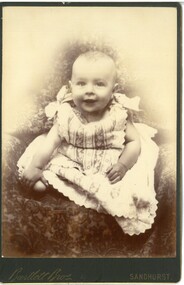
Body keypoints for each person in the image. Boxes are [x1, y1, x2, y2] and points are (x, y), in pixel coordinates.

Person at [18, 51, 159, 235]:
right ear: (70, 87)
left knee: (129, 191)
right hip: (72, 158)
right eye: (81, 83)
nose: (89, 90)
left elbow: (134, 142)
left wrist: (123, 165)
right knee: (38, 180)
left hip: (105, 164)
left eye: (99, 84)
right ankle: (61, 183)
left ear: (113, 90)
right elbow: (50, 142)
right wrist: (36, 167)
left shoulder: (117, 115)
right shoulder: (67, 114)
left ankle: (90, 192)